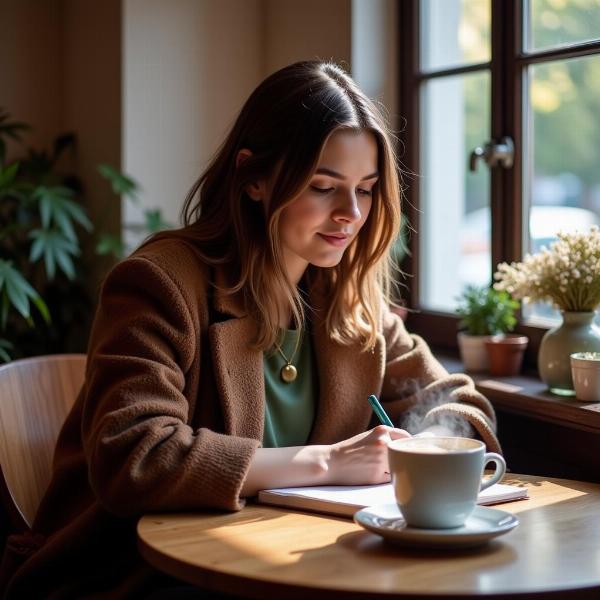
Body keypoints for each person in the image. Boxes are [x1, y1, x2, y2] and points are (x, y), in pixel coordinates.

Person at [2, 61, 499, 598]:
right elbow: (134, 457)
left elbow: (455, 399)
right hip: (136, 575)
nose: (350, 214)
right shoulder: (160, 284)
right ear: (254, 178)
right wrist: (329, 462)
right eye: (323, 186)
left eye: (367, 189)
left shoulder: (345, 298)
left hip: (283, 564)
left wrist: (427, 452)